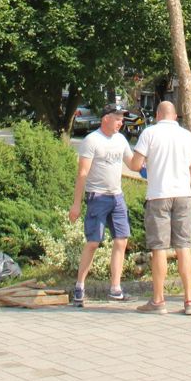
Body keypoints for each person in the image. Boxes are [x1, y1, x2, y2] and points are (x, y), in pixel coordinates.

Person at [127, 101, 191, 315]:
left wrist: (147, 166)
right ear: (175, 116)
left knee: (159, 248)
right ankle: (189, 300)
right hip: (183, 195)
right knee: (184, 246)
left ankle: (158, 300)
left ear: (158, 115)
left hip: (158, 195)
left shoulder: (149, 133)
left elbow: (135, 165)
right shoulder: (188, 136)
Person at [69, 105, 133, 307]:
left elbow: (133, 164)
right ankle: (80, 286)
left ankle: (115, 288)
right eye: (118, 118)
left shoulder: (121, 140)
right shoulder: (92, 140)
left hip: (117, 197)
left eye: (122, 119)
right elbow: (82, 173)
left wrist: (150, 162)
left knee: (121, 240)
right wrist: (76, 204)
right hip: (97, 197)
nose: (121, 122)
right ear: (106, 118)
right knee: (93, 242)